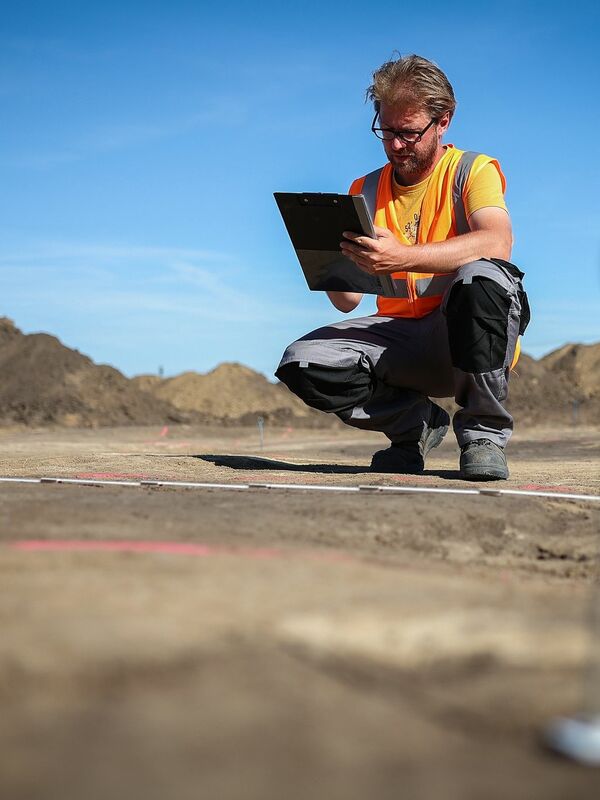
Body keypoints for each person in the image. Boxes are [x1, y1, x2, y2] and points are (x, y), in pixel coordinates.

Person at [275, 54, 530, 481]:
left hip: (465, 342)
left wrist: (403, 256)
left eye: (409, 133)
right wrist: (324, 256)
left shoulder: (472, 171)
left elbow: (497, 242)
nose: (396, 145)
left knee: (484, 278)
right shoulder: (365, 188)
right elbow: (346, 302)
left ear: (443, 122)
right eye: (387, 131)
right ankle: (415, 425)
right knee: (303, 361)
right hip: (401, 343)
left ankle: (483, 434)